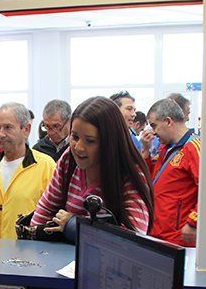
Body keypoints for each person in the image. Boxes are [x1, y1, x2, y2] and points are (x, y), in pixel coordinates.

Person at [31, 96, 153, 241]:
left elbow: (132, 242)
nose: (79, 147)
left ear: (110, 142)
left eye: (90, 141)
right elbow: (45, 208)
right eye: (74, 137)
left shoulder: (130, 174)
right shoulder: (68, 159)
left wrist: (74, 225)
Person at [140, 98, 201, 246]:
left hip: (178, 237)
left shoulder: (194, 147)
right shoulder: (165, 149)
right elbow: (151, 180)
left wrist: (193, 222)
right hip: (157, 232)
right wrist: (146, 151)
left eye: (154, 126)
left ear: (168, 121)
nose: (153, 132)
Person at [0, 103, 56, 239]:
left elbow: (54, 216)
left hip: (27, 254)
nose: (1, 134)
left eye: (8, 127)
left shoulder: (46, 166)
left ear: (26, 129)